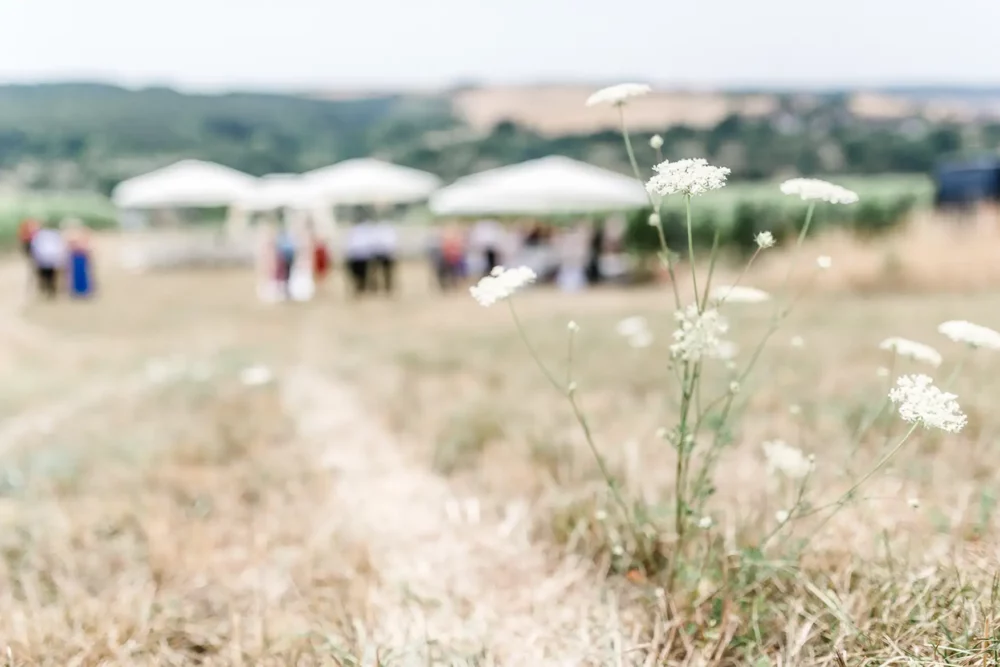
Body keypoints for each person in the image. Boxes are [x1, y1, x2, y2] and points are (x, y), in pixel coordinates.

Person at [30, 221, 67, 299]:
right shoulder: (53, 234)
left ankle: (48, 289)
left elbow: (35, 247)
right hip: (49, 258)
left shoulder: (40, 235)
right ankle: (50, 289)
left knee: (46, 275)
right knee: (50, 275)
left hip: (45, 258)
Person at [344, 214, 374, 298]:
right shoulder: (354, 231)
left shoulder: (364, 231)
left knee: (362, 273)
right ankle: (359, 287)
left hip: (362, 255)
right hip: (356, 255)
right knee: (357, 273)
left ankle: (361, 287)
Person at [63, 218, 95, 299]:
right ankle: (76, 291)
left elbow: (88, 246)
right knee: (75, 274)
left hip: (82, 256)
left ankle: (84, 290)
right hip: (75, 256)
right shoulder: (71, 235)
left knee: (83, 274)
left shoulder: (82, 235)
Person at [370, 218, 398, 295]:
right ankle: (375, 288)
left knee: (387, 273)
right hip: (379, 253)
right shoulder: (380, 232)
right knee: (376, 273)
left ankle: (387, 287)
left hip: (386, 253)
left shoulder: (388, 232)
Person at [274, 221, 298, 299]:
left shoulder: (287, 239)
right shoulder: (283, 239)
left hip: (288, 259)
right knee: (284, 275)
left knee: (287, 274)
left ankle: (286, 289)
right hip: (285, 259)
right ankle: (284, 289)